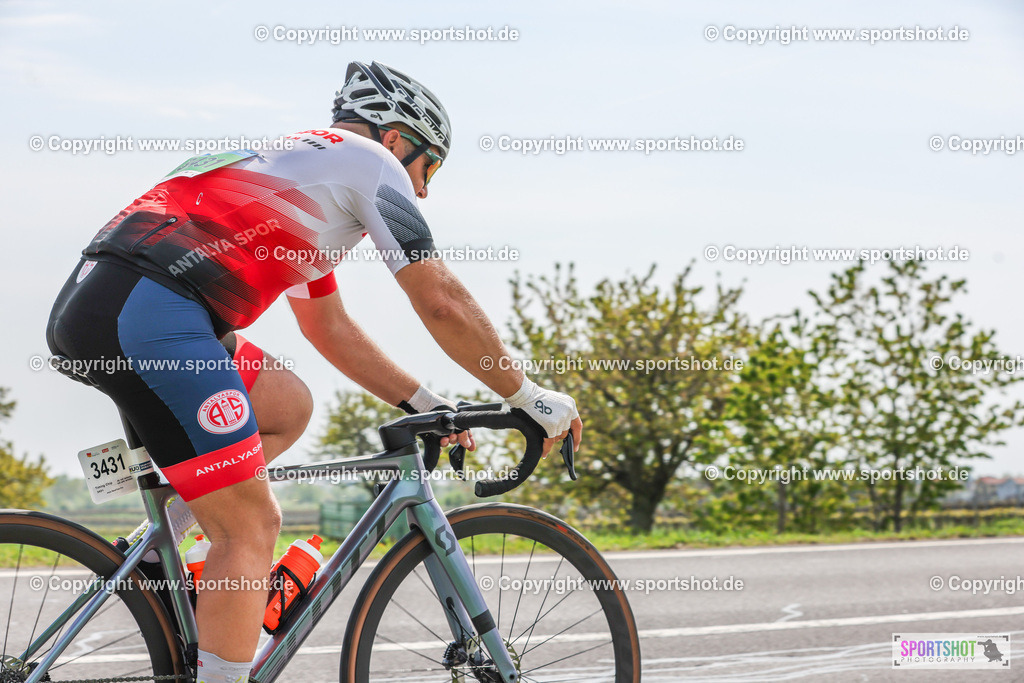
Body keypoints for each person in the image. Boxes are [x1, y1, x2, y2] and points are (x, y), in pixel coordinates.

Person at [45, 60, 582, 683]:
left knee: (285, 404)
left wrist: (423, 402)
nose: (424, 192)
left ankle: (156, 548)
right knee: (251, 525)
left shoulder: (298, 174)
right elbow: (441, 301)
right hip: (151, 316)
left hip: (103, 306)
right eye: (429, 167)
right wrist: (527, 394)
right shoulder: (369, 163)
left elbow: (329, 329)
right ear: (396, 138)